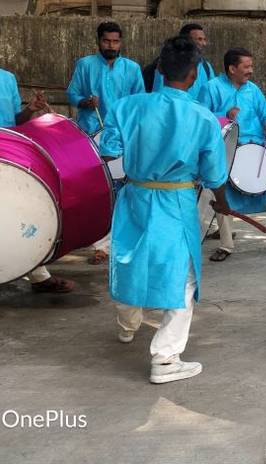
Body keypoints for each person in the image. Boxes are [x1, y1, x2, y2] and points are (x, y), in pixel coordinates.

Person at [101, 36, 230, 384]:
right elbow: (215, 174)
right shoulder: (203, 118)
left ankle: (127, 325)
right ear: (194, 75)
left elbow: (108, 152)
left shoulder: (126, 107)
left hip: (135, 195)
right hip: (175, 200)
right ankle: (166, 358)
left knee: (130, 260)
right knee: (182, 277)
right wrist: (223, 202)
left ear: (159, 68)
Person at [198, 48, 266, 262]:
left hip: (256, 147)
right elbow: (201, 117)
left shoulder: (253, 90)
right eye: (246, 67)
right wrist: (224, 116)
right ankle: (226, 244)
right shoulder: (211, 88)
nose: (251, 70)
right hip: (228, 148)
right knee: (220, 186)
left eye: (251, 66)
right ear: (232, 69)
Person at [66, 21, 145, 265]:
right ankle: (101, 245)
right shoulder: (85, 64)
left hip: (123, 135)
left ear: (121, 42)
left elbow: (140, 101)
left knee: (123, 188)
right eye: (106, 41)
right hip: (91, 135)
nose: (111, 45)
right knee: (100, 188)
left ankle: (120, 242)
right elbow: (72, 93)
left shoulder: (132, 68)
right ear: (98, 41)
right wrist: (83, 102)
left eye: (115, 41)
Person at [0, 68, 73, 293]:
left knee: (19, 214)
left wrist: (30, 110)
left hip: (8, 155)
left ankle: (37, 273)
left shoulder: (7, 78)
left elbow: (15, 120)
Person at [151, 23, 215, 99]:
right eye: (199, 39)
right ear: (186, 41)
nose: (204, 44)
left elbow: (212, 94)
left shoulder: (206, 66)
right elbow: (157, 94)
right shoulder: (167, 64)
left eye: (204, 39)